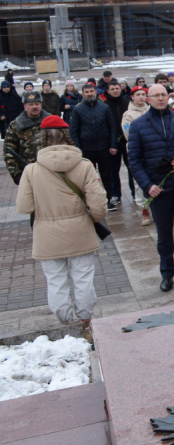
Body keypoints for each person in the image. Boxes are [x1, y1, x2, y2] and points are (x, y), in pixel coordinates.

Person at [16, 115, 107, 342]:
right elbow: (98, 206)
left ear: (43, 138)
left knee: (55, 280)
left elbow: (24, 206)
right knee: (83, 278)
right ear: (68, 136)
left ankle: (67, 323)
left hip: (46, 233)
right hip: (79, 229)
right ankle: (86, 320)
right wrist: (92, 220)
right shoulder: (84, 165)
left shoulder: (31, 170)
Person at [128, 84, 174, 291]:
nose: (160, 98)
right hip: (158, 189)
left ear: (168, 98)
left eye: (163, 95)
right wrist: (147, 185)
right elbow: (134, 160)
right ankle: (167, 274)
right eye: (155, 95)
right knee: (164, 236)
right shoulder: (138, 125)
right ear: (148, 99)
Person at [68, 81, 117, 207]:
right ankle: (90, 200)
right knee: (88, 176)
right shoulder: (78, 109)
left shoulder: (104, 107)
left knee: (106, 174)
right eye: (87, 92)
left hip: (104, 147)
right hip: (87, 148)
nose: (89, 94)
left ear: (95, 92)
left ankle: (107, 199)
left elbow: (112, 127)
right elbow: (73, 130)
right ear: (83, 94)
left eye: (91, 91)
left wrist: (113, 145)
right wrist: (78, 149)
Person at [121, 86, 153, 226]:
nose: (141, 97)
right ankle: (144, 209)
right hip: (137, 150)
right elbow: (128, 134)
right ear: (132, 97)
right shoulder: (128, 115)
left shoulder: (152, 110)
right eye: (138, 94)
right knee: (140, 181)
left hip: (153, 150)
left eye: (143, 94)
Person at [4, 90, 49, 185]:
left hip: (51, 172)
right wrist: (16, 174)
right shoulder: (16, 126)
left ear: (41, 105)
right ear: (25, 106)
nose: (34, 107)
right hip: (27, 173)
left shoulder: (51, 122)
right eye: (30, 104)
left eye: (37, 104)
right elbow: (8, 151)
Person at [103, 80, 132, 208]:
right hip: (113, 143)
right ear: (108, 91)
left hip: (128, 141)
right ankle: (116, 194)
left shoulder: (127, 103)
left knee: (132, 168)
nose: (115, 91)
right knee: (113, 170)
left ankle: (134, 192)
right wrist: (110, 143)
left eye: (117, 88)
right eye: (112, 89)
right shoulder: (104, 105)